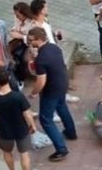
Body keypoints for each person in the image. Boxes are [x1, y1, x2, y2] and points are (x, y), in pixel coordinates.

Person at [28, 27, 77, 162]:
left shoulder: (41, 59)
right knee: (62, 108)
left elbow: (41, 81)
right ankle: (71, 132)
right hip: (62, 85)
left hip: (50, 91)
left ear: (39, 39)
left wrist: (34, 93)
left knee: (46, 119)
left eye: (32, 40)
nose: (30, 42)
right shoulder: (54, 48)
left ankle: (61, 149)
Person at [0, 70, 39, 170]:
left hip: (4, 131)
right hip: (21, 129)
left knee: (6, 152)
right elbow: (27, 114)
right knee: (24, 154)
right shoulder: (18, 96)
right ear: (9, 80)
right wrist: (33, 125)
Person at [29, 0, 80, 104]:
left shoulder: (46, 21)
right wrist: (36, 57)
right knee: (49, 82)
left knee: (61, 74)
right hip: (46, 55)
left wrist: (56, 34)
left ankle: (64, 94)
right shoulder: (35, 27)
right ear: (41, 10)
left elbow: (48, 34)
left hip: (54, 50)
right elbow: (33, 44)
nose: (47, 9)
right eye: (45, 7)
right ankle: (52, 110)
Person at [9, 2, 35, 82]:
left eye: (18, 15)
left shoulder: (33, 23)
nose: (16, 17)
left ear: (25, 14)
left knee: (23, 58)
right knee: (8, 50)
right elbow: (16, 26)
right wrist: (14, 30)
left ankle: (21, 78)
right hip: (19, 39)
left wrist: (20, 36)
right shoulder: (17, 18)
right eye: (15, 15)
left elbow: (32, 39)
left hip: (30, 43)